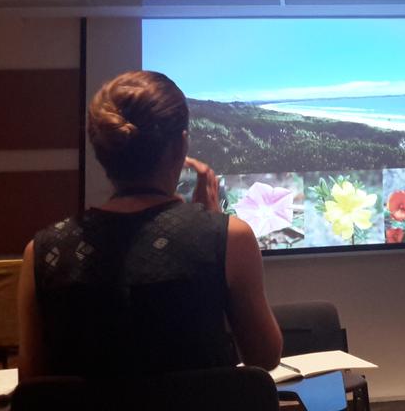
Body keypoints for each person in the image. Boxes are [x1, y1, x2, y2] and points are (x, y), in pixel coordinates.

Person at [17, 70, 282, 379]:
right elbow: (264, 357)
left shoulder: (41, 252)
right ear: (180, 147)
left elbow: (33, 380)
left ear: (102, 151)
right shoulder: (230, 238)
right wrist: (209, 226)